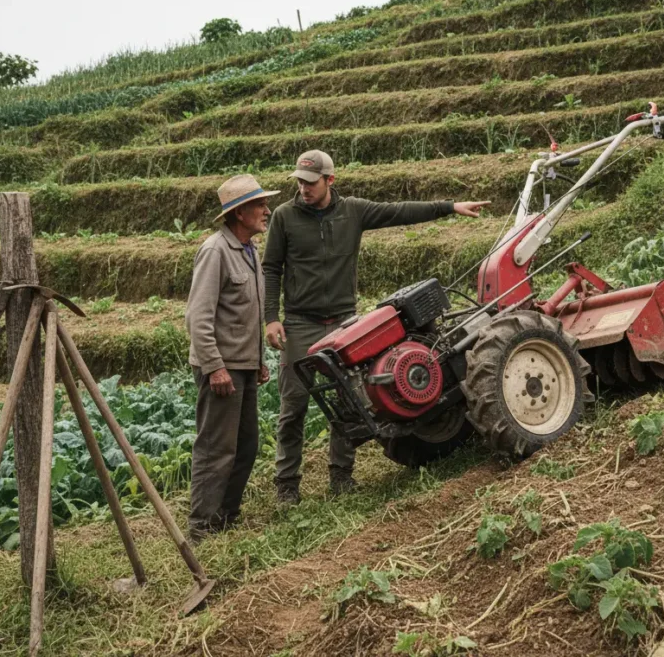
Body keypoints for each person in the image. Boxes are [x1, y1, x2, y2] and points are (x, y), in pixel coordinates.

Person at [263, 149, 490, 503]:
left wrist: (449, 207)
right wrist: (270, 317)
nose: (304, 189)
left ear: (329, 180)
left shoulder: (353, 211)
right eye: (300, 182)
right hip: (300, 322)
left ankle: (341, 476)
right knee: (293, 406)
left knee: (349, 401)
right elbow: (271, 268)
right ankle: (287, 485)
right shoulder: (284, 216)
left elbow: (398, 211)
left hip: (343, 323)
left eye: (311, 183)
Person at [185, 174, 278, 540]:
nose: (267, 211)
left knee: (246, 445)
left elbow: (246, 314)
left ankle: (225, 516)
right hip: (222, 369)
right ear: (239, 213)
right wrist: (215, 367)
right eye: (260, 205)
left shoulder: (248, 250)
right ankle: (201, 526)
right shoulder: (215, 251)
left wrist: (257, 360)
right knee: (216, 448)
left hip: (243, 366)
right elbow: (198, 317)